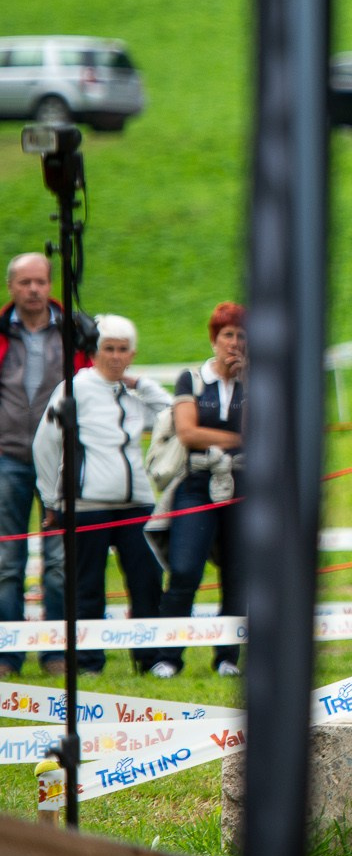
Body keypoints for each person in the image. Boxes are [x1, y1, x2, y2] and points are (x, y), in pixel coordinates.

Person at [31, 316, 169, 675]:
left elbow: (172, 415)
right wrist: (51, 498)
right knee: (87, 586)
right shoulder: (72, 389)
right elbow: (44, 445)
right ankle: (90, 662)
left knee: (147, 581)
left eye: (123, 349)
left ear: (132, 353)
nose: (116, 356)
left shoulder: (132, 394)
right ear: (94, 351)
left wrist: (142, 383)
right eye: (109, 348)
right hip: (86, 504)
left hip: (137, 503)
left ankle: (149, 659)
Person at [0, 252, 92, 679]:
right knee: (6, 560)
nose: (34, 290)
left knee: (58, 563)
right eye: (25, 282)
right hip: (8, 458)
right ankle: (6, 655)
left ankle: (57, 653)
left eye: (41, 281)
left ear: (51, 283)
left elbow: (93, 386)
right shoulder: (2, 331)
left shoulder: (74, 331)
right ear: (11, 287)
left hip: (59, 461)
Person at [154, 303, 247, 678]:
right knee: (184, 570)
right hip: (196, 484)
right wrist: (237, 438)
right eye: (228, 335)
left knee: (238, 574)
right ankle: (168, 656)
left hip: (243, 486)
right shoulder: (190, 379)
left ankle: (227, 658)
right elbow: (188, 432)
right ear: (214, 338)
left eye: (242, 336)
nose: (234, 343)